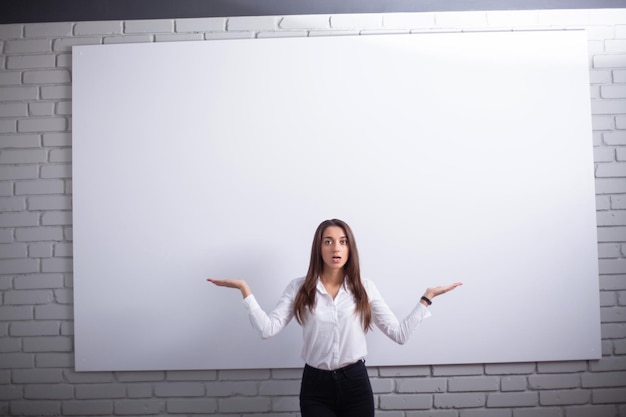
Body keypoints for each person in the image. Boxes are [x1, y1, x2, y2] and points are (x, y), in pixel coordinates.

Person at [207, 218, 462, 417]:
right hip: (315, 387)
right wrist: (244, 289)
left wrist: (426, 298)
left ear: (350, 247)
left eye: (342, 241)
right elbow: (267, 329)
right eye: (328, 241)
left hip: (356, 385)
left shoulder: (365, 287)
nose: (336, 248)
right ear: (319, 248)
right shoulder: (299, 288)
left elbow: (400, 335)